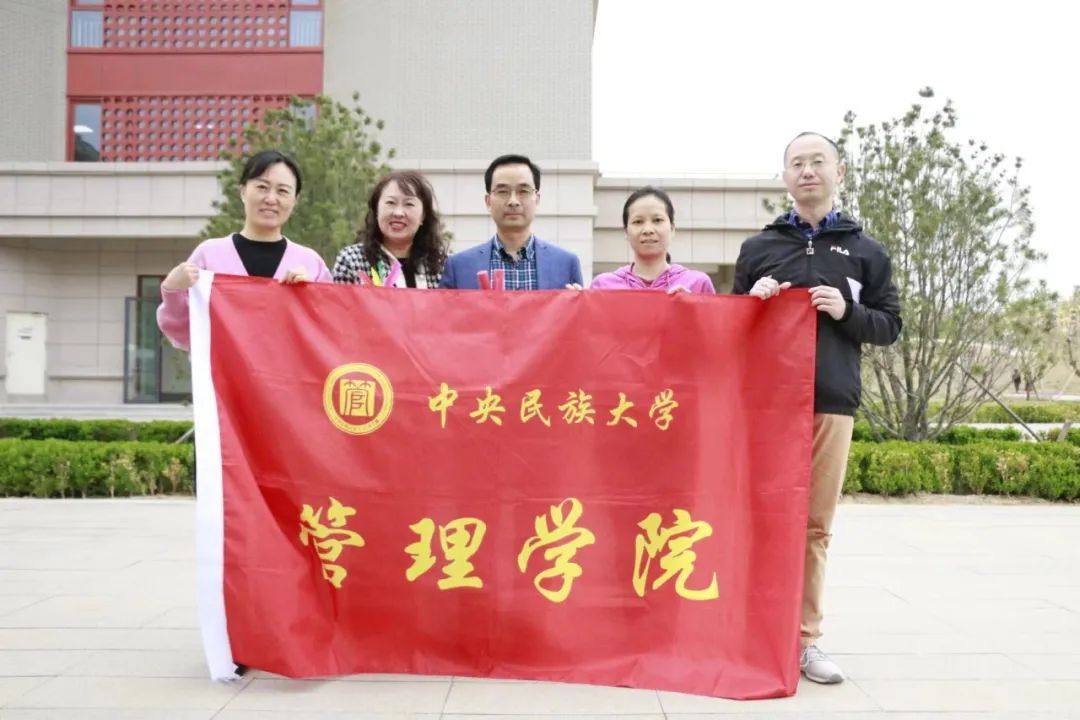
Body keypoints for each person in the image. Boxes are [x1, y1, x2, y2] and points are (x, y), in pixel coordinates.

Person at [733, 131, 902, 685]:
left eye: (818, 161)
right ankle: (753, 633)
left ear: (839, 172)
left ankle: (805, 640)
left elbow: (890, 325)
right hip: (766, 406)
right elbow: (731, 328)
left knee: (814, 527)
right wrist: (752, 304)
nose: (807, 171)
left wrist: (847, 311)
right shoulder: (759, 248)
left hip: (830, 401)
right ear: (785, 176)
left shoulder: (867, 251)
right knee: (759, 520)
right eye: (797, 163)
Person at [157, 149, 332, 351]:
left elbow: (329, 332)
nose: (271, 199)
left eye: (282, 191)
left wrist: (311, 297)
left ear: (295, 200)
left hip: (290, 372)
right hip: (224, 371)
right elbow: (184, 334)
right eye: (262, 187)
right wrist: (172, 290)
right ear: (243, 191)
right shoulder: (209, 255)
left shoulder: (310, 263)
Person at [438, 154, 583, 290]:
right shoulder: (458, 266)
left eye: (523, 191)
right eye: (502, 192)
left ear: (537, 200)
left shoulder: (566, 264)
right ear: (488, 201)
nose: (513, 201)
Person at [332, 170, 449, 288]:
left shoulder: (442, 263)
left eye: (409, 204)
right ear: (376, 210)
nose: (398, 213)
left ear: (423, 216)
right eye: (391, 202)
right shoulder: (352, 260)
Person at [589, 186, 715, 294]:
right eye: (638, 221)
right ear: (626, 231)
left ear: (672, 228)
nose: (648, 230)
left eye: (657, 220)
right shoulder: (603, 286)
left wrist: (693, 307)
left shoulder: (698, 284)